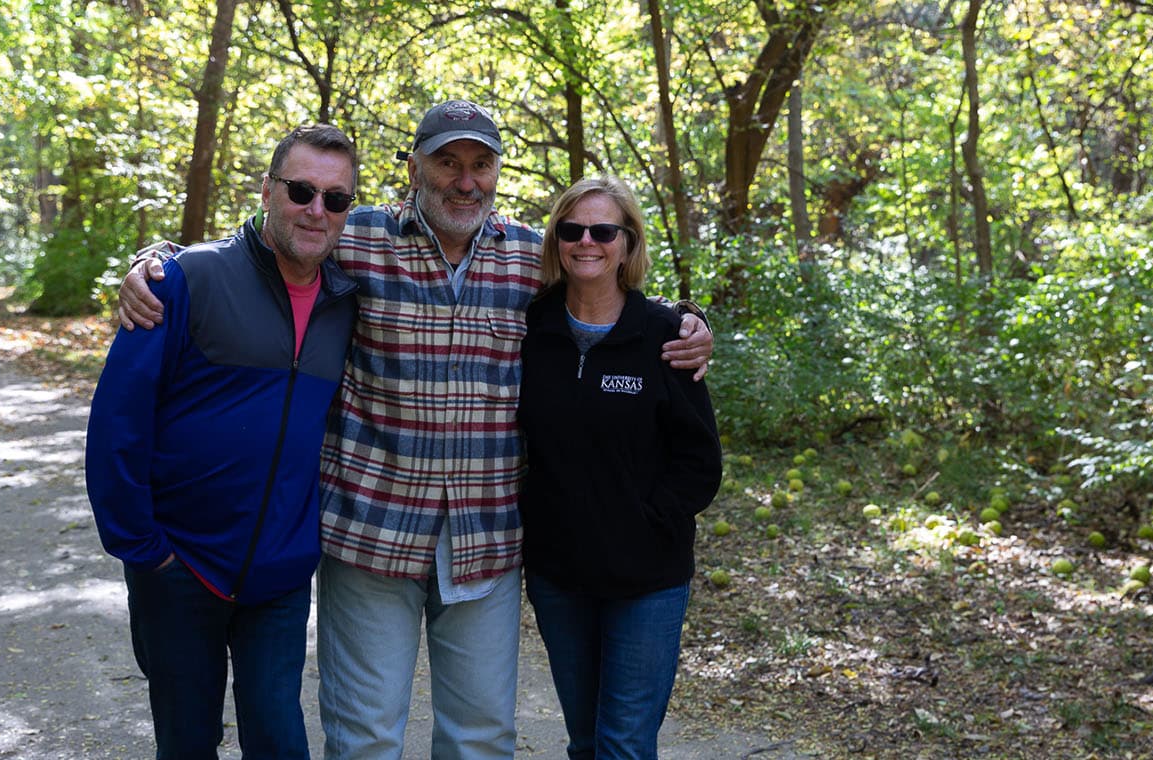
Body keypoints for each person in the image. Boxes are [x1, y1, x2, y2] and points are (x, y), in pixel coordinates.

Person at [116, 100, 713, 759]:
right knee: (365, 737)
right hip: (371, 533)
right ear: (414, 167)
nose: (466, 180)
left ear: (497, 172)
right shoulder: (358, 238)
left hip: (485, 538)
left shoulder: (528, 260)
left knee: (481, 738)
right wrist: (160, 259)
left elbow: (606, 286)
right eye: (448, 162)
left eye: (481, 165)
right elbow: (277, 236)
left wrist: (684, 321)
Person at [85, 124, 360, 759]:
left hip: (282, 574)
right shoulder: (187, 280)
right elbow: (118, 423)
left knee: (279, 739)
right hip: (178, 567)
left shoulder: (347, 299)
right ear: (267, 190)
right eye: (300, 190)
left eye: (336, 198)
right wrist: (143, 548)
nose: (316, 210)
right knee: (187, 743)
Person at [517, 176, 722, 759]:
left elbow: (699, 461)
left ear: (627, 244)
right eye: (572, 229)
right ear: (556, 239)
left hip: (647, 580)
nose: (587, 242)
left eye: (603, 230)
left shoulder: (664, 336)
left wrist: (645, 520)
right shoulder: (531, 330)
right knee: (586, 741)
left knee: (625, 744)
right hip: (560, 577)